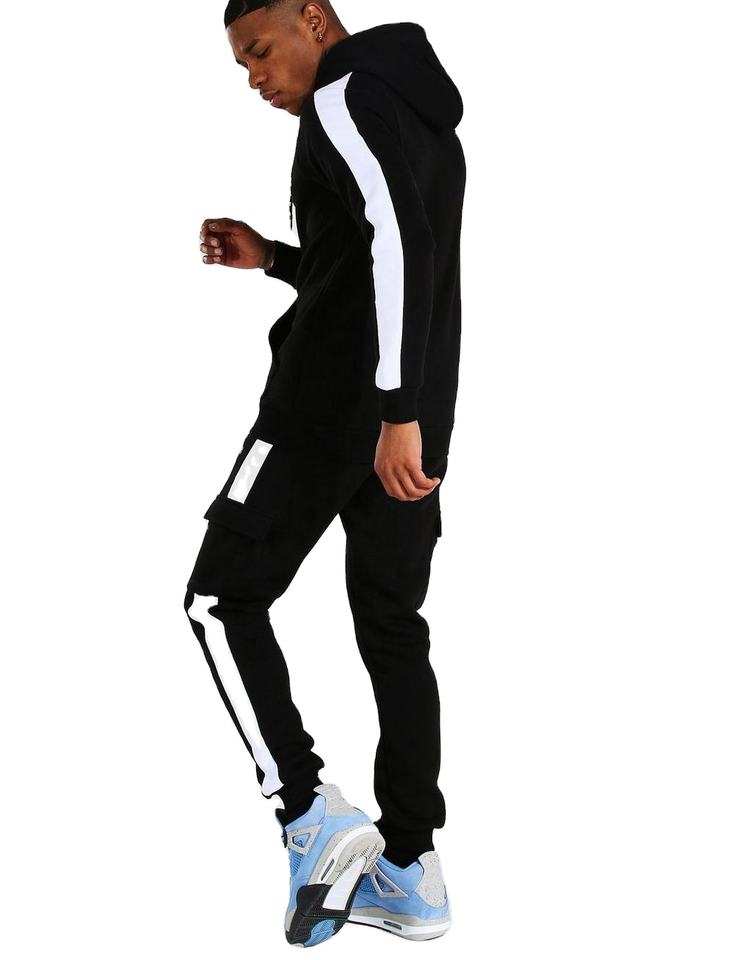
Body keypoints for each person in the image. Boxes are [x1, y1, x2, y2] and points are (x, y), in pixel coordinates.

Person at [183, 0, 465, 947]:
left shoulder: (344, 95)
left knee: (217, 600)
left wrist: (393, 409)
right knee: (393, 629)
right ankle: (409, 872)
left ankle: (308, 814)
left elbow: (401, 245)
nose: (256, 78)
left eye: (261, 51)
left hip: (333, 412)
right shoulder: (409, 103)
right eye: (242, 66)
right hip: (405, 425)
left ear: (314, 18)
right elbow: (372, 267)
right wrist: (276, 260)